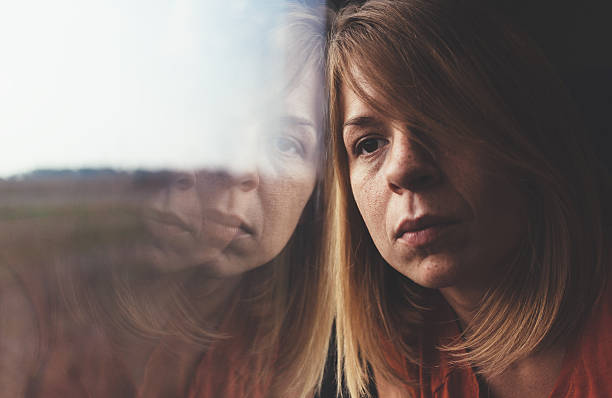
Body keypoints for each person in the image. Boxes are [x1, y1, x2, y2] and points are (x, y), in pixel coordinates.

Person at [0, 3, 333, 397]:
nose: (241, 167)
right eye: (216, 120)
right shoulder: (23, 279)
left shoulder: (299, 345)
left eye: (285, 142)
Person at [326, 0, 611, 397]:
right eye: (369, 143)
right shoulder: (407, 347)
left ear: (524, 127)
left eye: (440, 118)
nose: (403, 168)